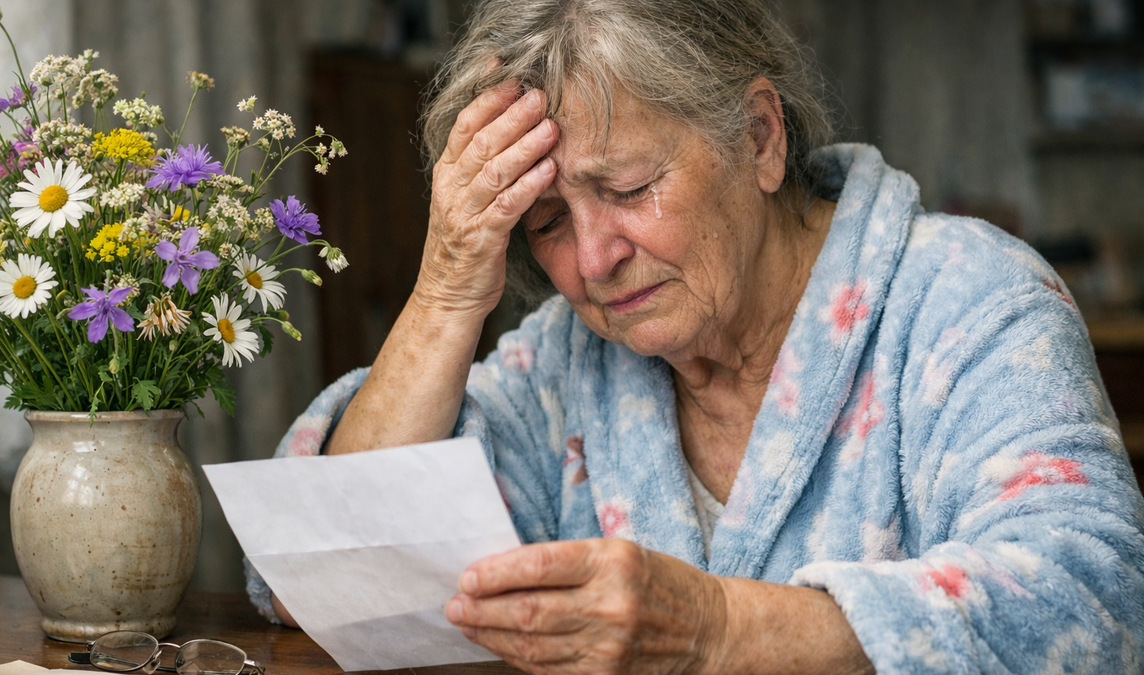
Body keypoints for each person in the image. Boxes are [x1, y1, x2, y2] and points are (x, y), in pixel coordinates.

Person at [246, 1, 1144, 672]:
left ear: (758, 137)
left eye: (631, 189)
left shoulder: (968, 300)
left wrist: (718, 628)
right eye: (549, 220)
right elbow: (317, 573)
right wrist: (446, 293)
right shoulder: (567, 360)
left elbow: (1094, 604)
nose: (594, 259)